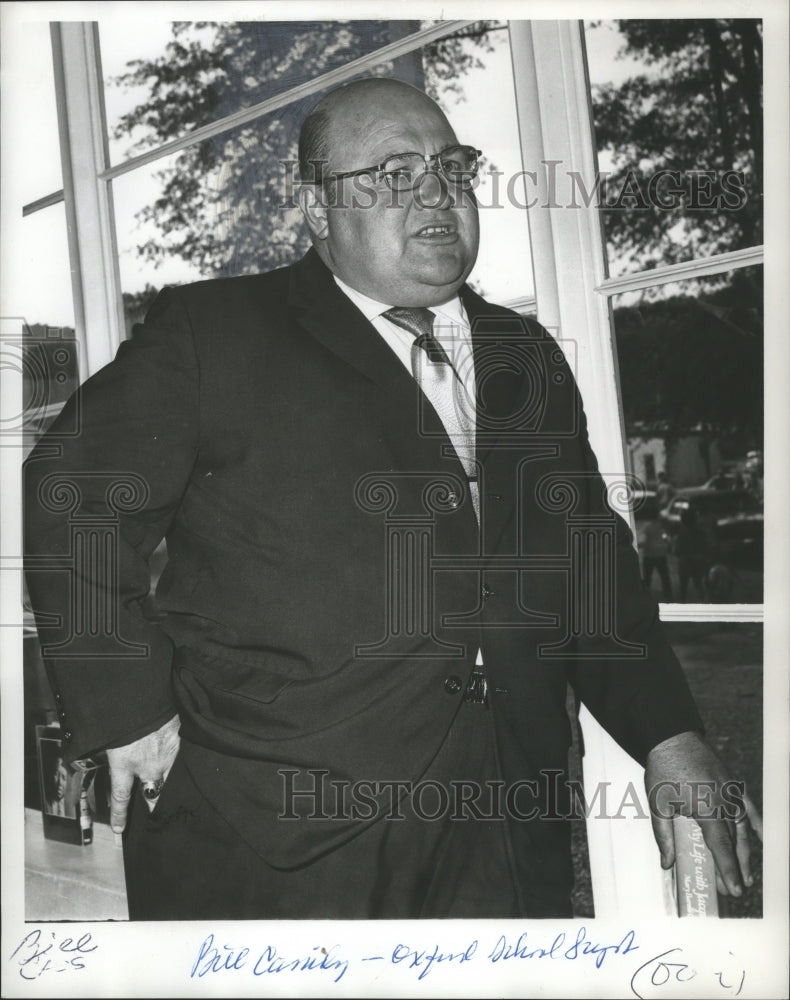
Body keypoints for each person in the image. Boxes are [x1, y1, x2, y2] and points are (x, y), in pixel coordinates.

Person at [24, 77, 760, 920]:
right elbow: (70, 489)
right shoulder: (214, 335)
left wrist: (670, 734)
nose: (437, 194)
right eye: (393, 174)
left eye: (452, 167)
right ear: (315, 208)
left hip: (503, 847)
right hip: (270, 848)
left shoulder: (526, 359)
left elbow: (587, 567)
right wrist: (128, 712)